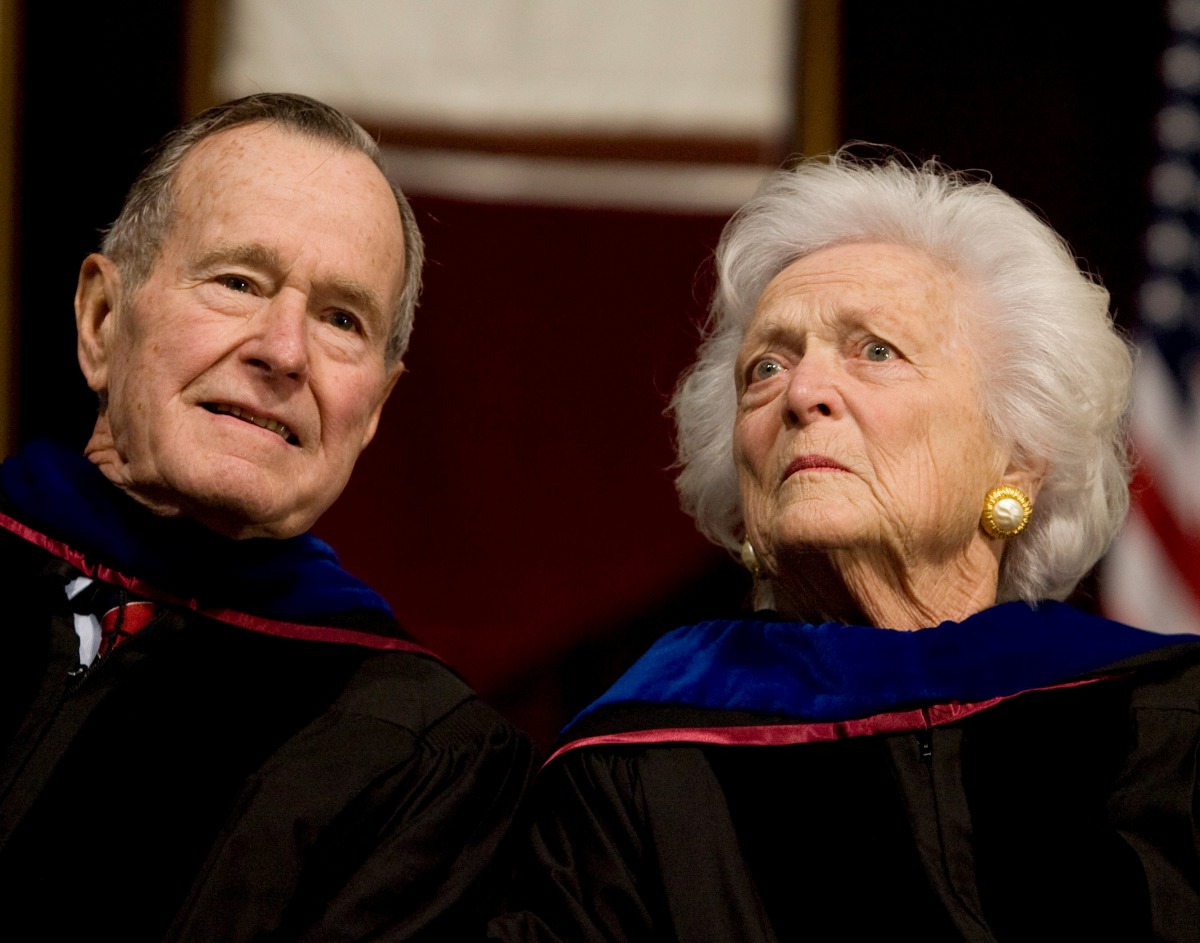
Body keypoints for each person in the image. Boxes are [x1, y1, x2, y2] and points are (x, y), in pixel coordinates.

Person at [488, 151, 1200, 941]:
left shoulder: (1166, 726)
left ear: (1017, 458)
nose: (801, 393)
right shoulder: (632, 766)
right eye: (765, 366)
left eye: (876, 351)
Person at [0, 93, 534, 941]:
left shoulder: (425, 758)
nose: (282, 350)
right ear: (102, 320)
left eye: (341, 319)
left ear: (374, 411)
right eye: (237, 281)